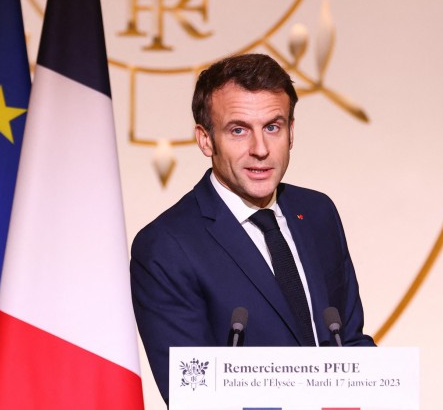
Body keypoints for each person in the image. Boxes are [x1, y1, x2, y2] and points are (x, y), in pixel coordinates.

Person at [130, 53, 375, 403]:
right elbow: (195, 396)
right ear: (205, 139)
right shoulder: (165, 247)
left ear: (291, 132)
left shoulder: (318, 212)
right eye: (238, 130)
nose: (260, 149)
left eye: (272, 127)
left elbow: (348, 342)